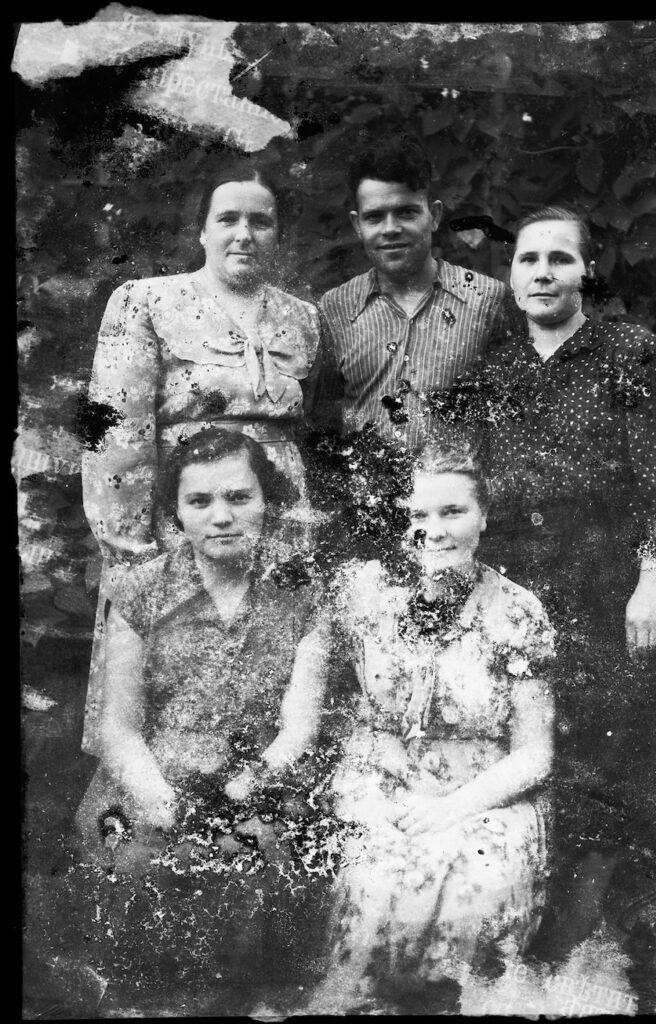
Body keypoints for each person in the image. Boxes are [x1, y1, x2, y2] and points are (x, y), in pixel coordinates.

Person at [426, 205, 656, 966]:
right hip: (514, 588)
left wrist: (653, 579)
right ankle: (503, 927)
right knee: (517, 747)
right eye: (528, 260)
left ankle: (571, 945)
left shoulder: (632, 355)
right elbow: (461, 483)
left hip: (606, 583)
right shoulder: (494, 370)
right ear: (511, 278)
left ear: (586, 271)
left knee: (602, 762)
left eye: (559, 259)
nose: (542, 272)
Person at [75, 429, 329, 1011]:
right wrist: (168, 805)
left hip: (257, 777)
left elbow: (299, 727)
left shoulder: (302, 592)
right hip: (153, 779)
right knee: (143, 870)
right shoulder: (139, 591)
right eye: (199, 501)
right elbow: (119, 729)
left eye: (239, 497)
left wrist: (245, 789)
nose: (221, 517)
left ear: (268, 501)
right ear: (176, 512)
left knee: (256, 871)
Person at [81, 157, 322, 756]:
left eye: (260, 222)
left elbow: (304, 430)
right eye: (228, 219)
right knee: (167, 697)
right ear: (202, 229)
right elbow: (115, 436)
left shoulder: (303, 318)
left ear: (278, 232)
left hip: (275, 517)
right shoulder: (146, 301)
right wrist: (132, 552)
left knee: (275, 676)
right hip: (180, 517)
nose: (244, 234)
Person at [307, 445, 556, 1014]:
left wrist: (453, 808)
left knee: (478, 879)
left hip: (486, 793)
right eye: (419, 515)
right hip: (382, 778)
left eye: (452, 512)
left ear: (483, 516)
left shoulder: (517, 612)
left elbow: (535, 754)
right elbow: (354, 716)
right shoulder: (368, 598)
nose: (434, 531)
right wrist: (386, 789)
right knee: (378, 873)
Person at [314, 134, 508, 449]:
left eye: (406, 212)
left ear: (434, 215)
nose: (390, 228)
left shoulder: (487, 299)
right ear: (357, 225)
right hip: (368, 479)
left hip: (458, 479)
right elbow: (324, 418)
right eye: (375, 217)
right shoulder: (334, 308)